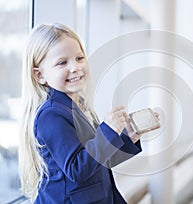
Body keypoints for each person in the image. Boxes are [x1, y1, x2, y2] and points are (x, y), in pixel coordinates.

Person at [19, 23, 157, 203]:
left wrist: (129, 136)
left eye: (79, 58)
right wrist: (107, 130)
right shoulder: (51, 116)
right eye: (62, 63)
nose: (75, 67)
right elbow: (78, 169)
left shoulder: (79, 105)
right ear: (40, 76)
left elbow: (98, 160)